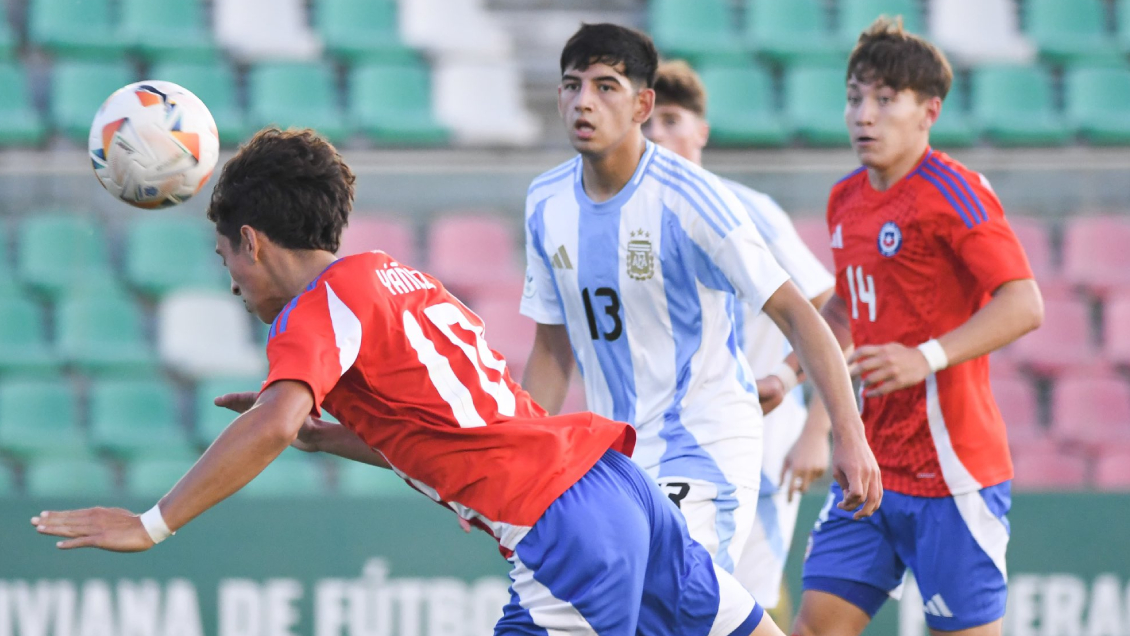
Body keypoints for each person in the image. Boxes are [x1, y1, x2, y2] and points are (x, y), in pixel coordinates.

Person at [33, 127, 779, 636]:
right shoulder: (397, 276)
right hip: (617, 487)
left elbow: (272, 422)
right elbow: (446, 422)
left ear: (252, 242)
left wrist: (152, 523)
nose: (230, 279)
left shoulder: (314, 309)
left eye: (225, 255)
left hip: (562, 532)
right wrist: (338, 440)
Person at [519, 21, 880, 580]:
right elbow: (550, 350)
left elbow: (799, 311)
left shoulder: (695, 198)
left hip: (704, 444)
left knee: (674, 598)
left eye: (605, 86)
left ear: (642, 103)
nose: (583, 101)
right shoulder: (545, 202)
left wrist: (843, 434)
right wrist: (515, 460)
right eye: (572, 85)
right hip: (613, 456)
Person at [793, 17, 1044, 636]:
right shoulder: (845, 198)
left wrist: (925, 356)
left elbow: (1024, 302)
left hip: (954, 476)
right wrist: (794, 386)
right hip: (873, 470)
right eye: (855, 98)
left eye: (884, 99)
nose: (864, 116)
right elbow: (850, 309)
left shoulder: (955, 192)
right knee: (814, 629)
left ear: (928, 110)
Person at [642, 59, 836, 616]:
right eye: (650, 123)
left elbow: (828, 312)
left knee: (740, 603)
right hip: (670, 442)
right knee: (678, 602)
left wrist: (817, 429)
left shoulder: (747, 210)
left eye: (673, 120)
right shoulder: (631, 218)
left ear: (702, 131)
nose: (658, 134)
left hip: (761, 443)